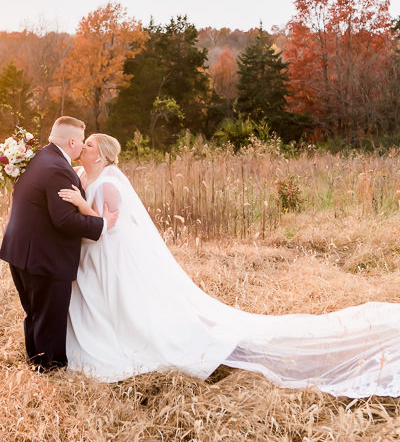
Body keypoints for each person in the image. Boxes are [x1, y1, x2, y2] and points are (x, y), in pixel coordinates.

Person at [60, 133, 400, 397]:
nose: (83, 147)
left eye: (88, 144)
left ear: (101, 154)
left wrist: (79, 203)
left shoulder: (108, 183)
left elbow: (106, 226)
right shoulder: (86, 176)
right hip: (94, 259)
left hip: (108, 257)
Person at [0, 117, 118, 371]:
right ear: (72, 141)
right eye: (81, 143)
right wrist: (102, 224)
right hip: (43, 257)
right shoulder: (58, 169)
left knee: (35, 314)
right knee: (49, 318)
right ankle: (50, 369)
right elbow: (64, 220)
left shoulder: (41, 157)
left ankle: (36, 363)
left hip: (22, 251)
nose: (82, 149)